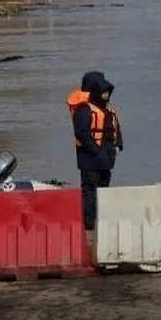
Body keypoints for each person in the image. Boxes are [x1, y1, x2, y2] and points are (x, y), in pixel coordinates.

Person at [66, 71, 123, 229]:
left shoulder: (108, 110)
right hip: (90, 160)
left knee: (104, 192)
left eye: (107, 92)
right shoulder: (84, 110)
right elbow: (82, 134)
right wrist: (96, 151)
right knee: (90, 193)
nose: (106, 95)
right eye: (103, 91)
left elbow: (116, 130)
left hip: (106, 159)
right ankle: (90, 226)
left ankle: (102, 222)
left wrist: (118, 146)